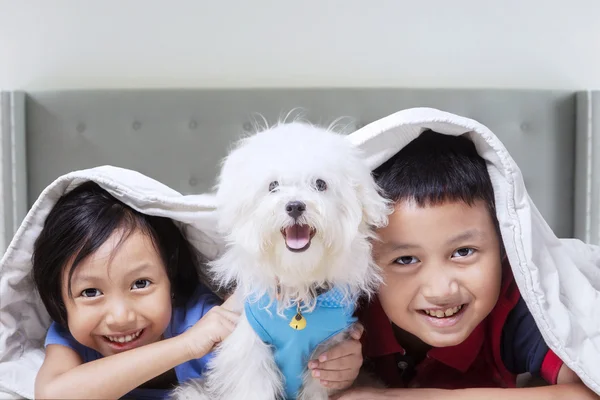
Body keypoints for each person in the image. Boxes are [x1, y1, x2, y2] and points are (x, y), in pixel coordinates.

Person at [32, 181, 363, 399]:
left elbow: (288, 355)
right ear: (59, 298)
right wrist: (185, 346)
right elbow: (54, 395)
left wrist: (341, 365)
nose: (120, 316)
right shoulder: (71, 339)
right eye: (90, 292)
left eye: (140, 284)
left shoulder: (209, 321)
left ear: (172, 277)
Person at [335, 130, 598, 399]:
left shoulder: (520, 306)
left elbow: (590, 389)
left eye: (463, 252)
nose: (441, 290)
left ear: (506, 246)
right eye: (405, 259)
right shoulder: (345, 309)